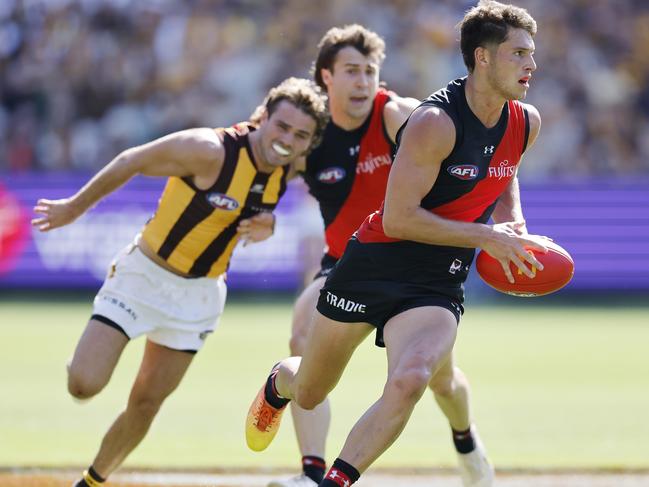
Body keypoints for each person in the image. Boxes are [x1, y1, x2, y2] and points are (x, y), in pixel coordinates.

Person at [246, 2, 546, 486]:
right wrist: (487, 236)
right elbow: (399, 218)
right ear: (482, 59)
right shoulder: (433, 122)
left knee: (413, 378)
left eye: (532, 53)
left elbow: (503, 172)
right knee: (309, 391)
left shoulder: (526, 121)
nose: (532, 63)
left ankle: (333, 481)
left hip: (436, 281)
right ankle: (280, 380)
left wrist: (513, 222)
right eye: (519, 53)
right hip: (372, 263)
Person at [31, 77, 328, 487]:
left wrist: (271, 222)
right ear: (261, 116)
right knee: (83, 384)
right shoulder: (209, 150)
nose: (287, 140)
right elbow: (131, 160)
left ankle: (93, 480)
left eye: (300, 135)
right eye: (281, 126)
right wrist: (73, 208)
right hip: (143, 276)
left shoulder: (291, 167)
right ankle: (86, 354)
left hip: (200, 296)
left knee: (147, 402)